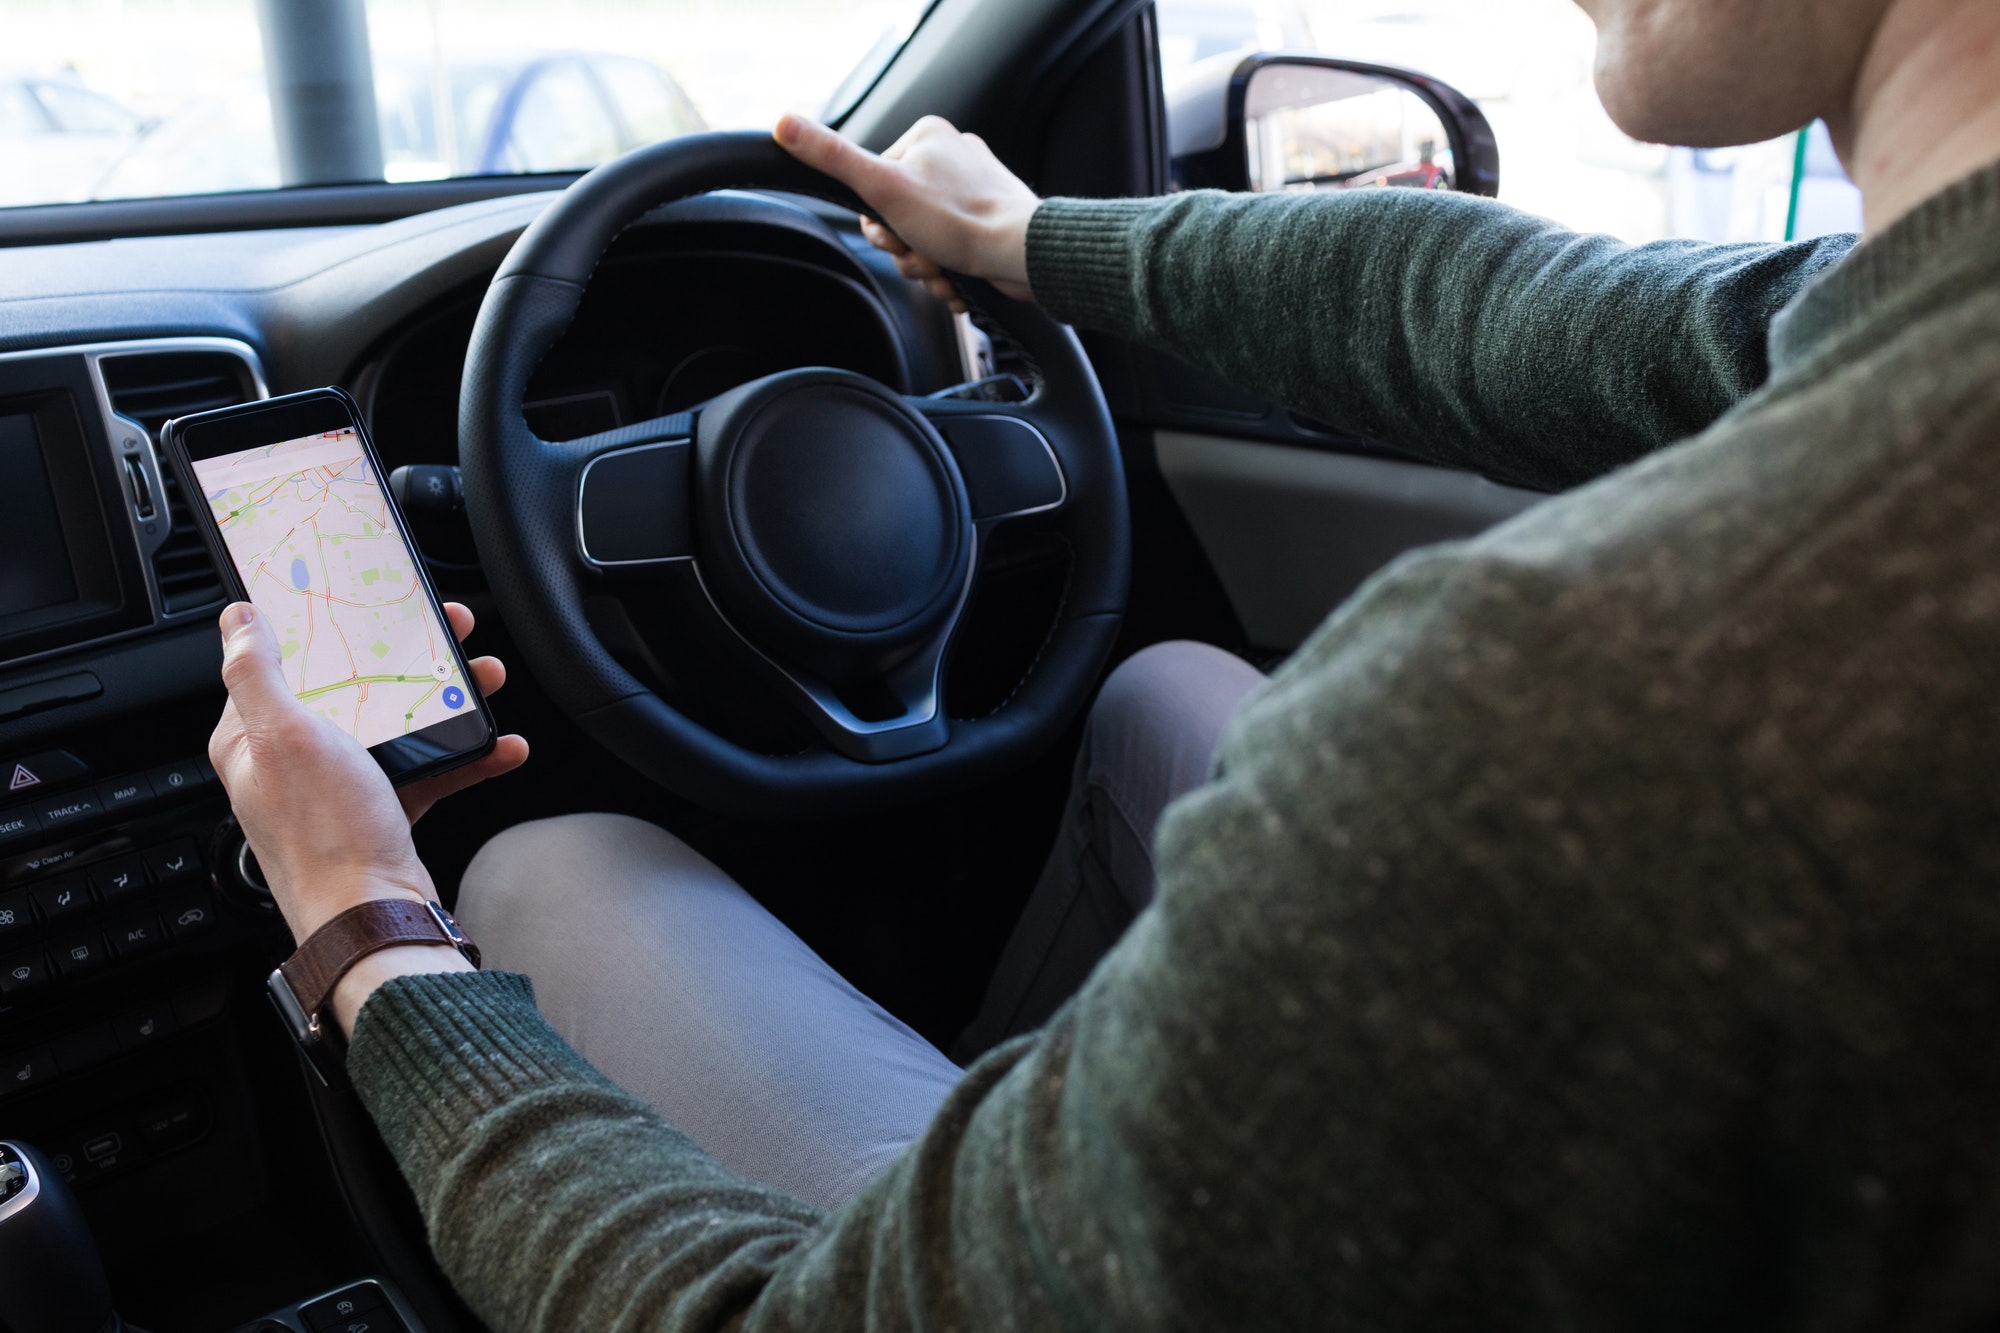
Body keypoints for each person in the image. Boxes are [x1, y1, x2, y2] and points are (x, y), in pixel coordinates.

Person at [211, 0, 2000, 1324]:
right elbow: (1507, 313)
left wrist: (369, 916)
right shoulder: (1867, 347)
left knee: (545, 865)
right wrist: (1024, 247)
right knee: (1163, 696)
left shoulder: (1570, 717)